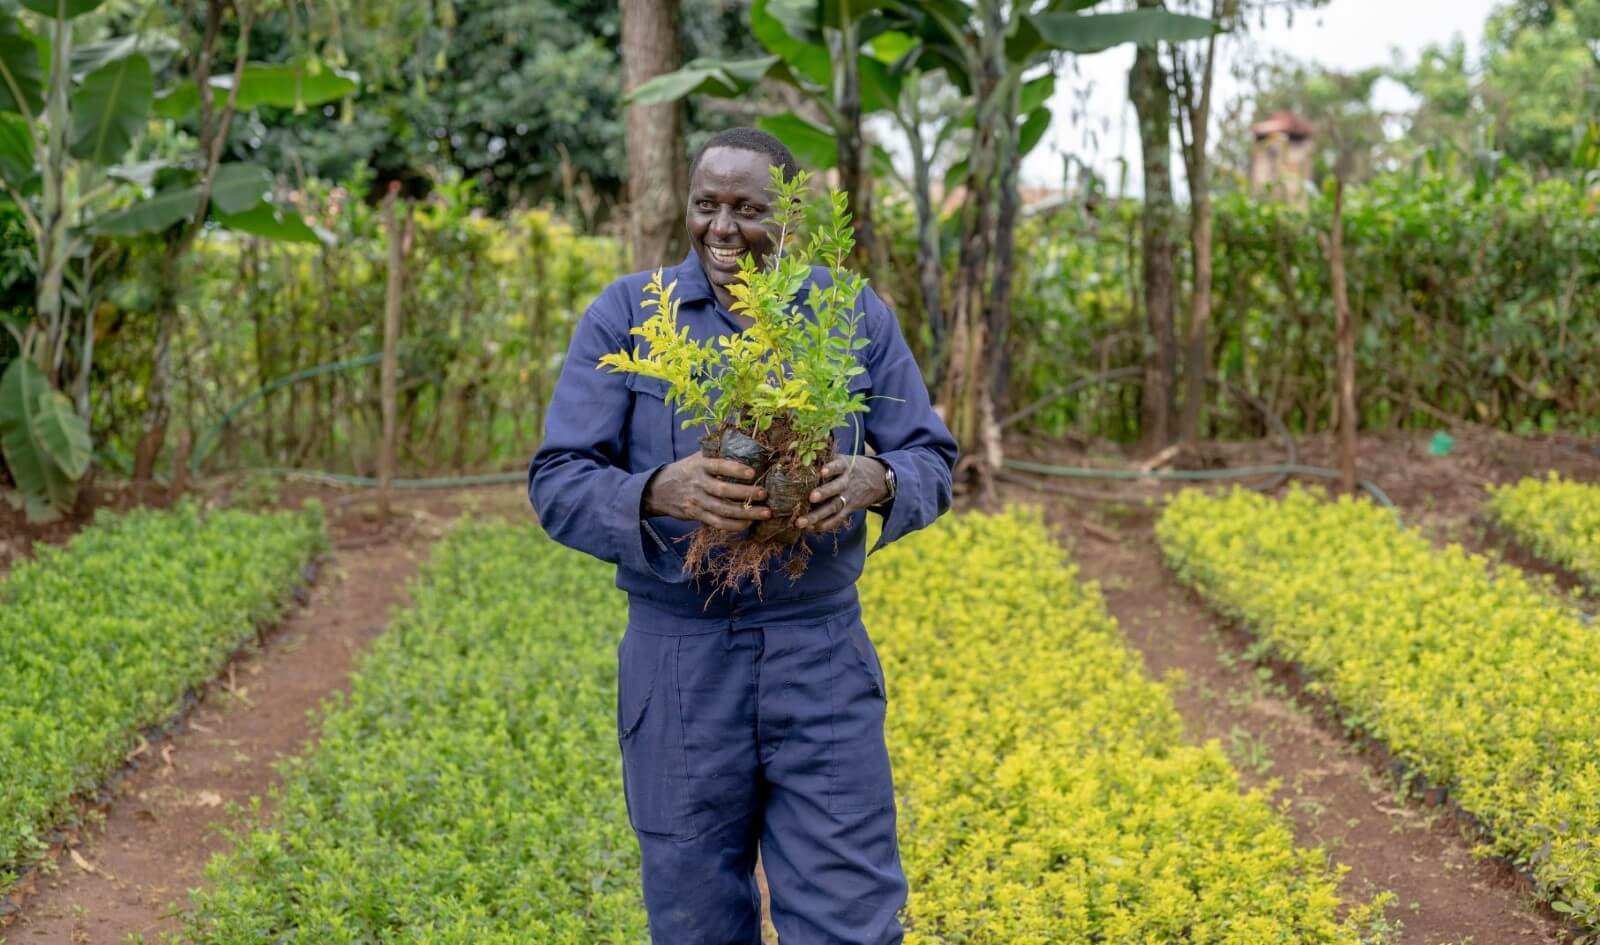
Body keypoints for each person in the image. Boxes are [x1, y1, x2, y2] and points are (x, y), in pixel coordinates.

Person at [528, 127, 957, 944]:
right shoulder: (628, 314)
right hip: (679, 660)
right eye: (705, 205)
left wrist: (877, 478)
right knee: (696, 921)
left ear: (787, 220)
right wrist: (660, 488)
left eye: (747, 209)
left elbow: (931, 455)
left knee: (852, 919)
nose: (722, 229)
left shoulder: (848, 311)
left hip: (819, 654)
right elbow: (557, 480)